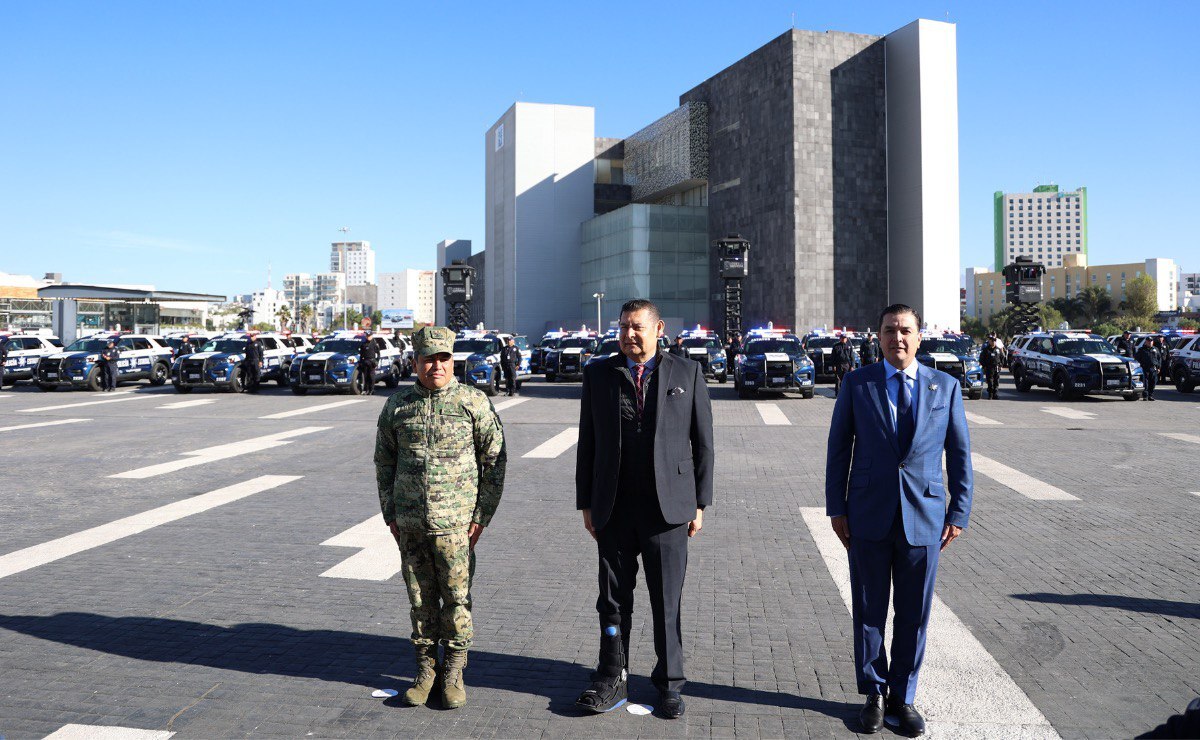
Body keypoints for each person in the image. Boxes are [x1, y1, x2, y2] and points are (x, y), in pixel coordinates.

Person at [825, 303, 974, 737]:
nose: (898, 338)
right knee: (869, 611)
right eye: (890, 330)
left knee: (914, 614)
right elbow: (838, 449)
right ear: (879, 337)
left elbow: (960, 454)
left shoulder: (945, 386)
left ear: (919, 337)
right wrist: (837, 508)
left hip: (925, 517)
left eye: (906, 330)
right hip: (868, 514)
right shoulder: (857, 383)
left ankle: (902, 697)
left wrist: (959, 511)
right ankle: (874, 693)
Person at [575, 299, 714, 719]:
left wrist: (699, 503)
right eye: (623, 327)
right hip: (614, 506)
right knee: (612, 601)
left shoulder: (686, 373)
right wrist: (586, 502)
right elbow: (588, 442)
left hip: (667, 510)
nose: (628, 334)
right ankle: (611, 675)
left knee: (666, 601)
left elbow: (703, 442)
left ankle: (669, 683)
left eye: (637, 327)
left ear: (659, 329)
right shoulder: (598, 374)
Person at [375, 325, 506, 710]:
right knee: (420, 599)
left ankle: (453, 671)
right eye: (428, 359)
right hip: (411, 524)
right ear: (416, 362)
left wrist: (482, 515)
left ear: (452, 360)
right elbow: (384, 461)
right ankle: (425, 670)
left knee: (456, 599)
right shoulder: (398, 405)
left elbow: (495, 462)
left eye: (443, 358)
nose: (436, 366)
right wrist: (390, 512)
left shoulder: (473, 402)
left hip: (456, 525)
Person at [979, 334, 1006, 400]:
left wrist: (1001, 365)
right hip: (989, 368)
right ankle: (990, 394)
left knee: (996, 381)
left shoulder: (998, 349)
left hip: (997, 367)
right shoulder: (986, 350)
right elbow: (981, 359)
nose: (993, 342)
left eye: (994, 340)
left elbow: (1002, 357)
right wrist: (984, 366)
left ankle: (995, 394)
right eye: (992, 340)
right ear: (989, 341)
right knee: (990, 381)